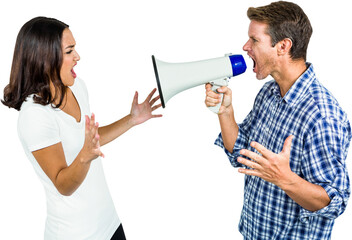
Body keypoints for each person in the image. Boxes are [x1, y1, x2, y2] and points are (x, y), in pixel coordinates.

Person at [2, 17, 162, 240]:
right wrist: (85, 158)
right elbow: (63, 185)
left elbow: (90, 141)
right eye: (69, 51)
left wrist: (131, 119)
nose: (78, 57)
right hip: (76, 234)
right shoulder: (35, 115)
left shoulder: (76, 87)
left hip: (109, 224)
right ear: (45, 59)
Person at [205, 1, 351, 240]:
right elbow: (241, 154)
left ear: (283, 46)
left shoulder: (322, 116)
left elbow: (336, 202)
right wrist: (225, 112)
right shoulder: (269, 94)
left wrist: (286, 179)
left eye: (254, 40)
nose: (245, 47)